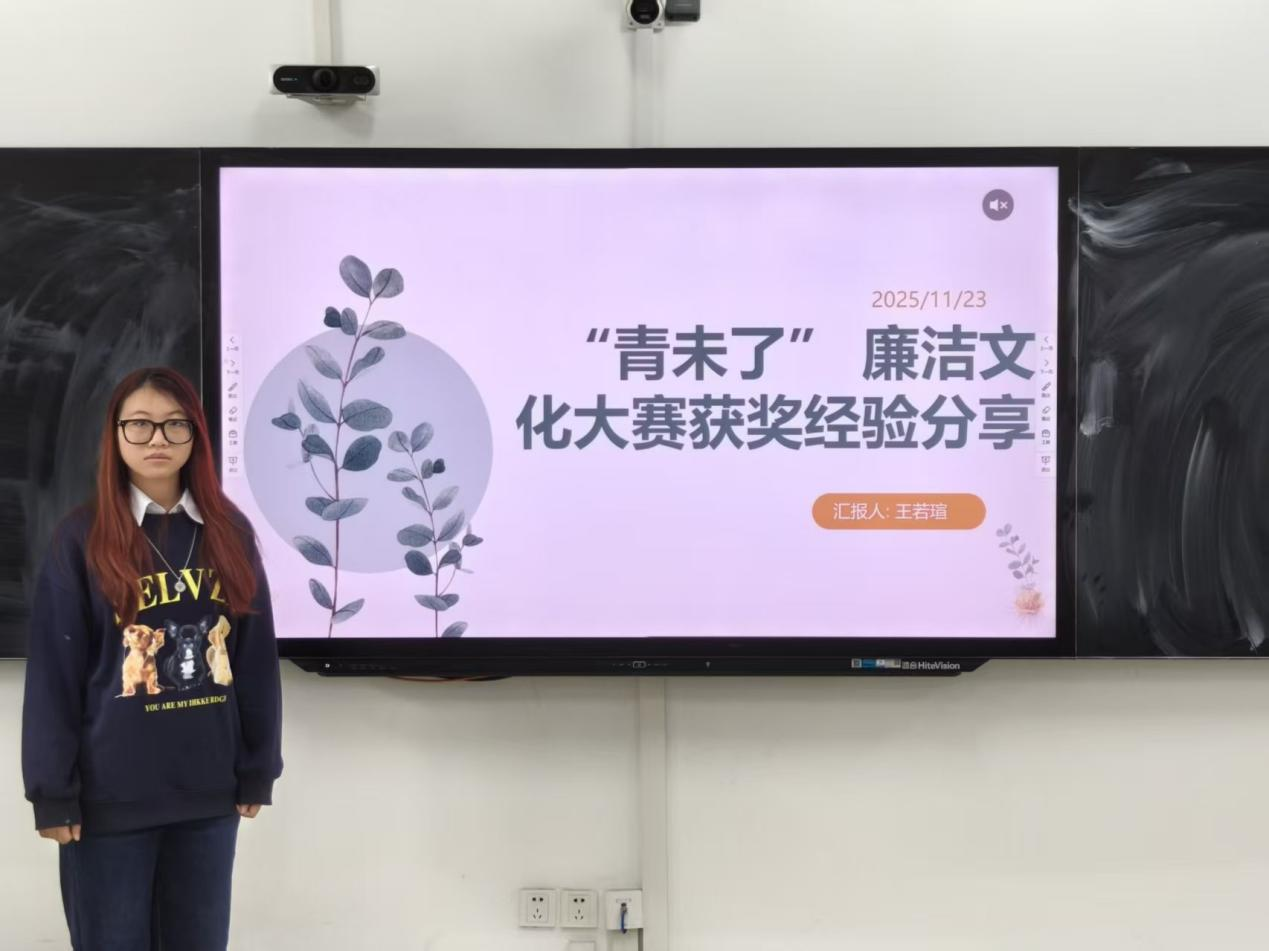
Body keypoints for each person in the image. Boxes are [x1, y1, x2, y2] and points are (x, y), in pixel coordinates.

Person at [21, 366, 283, 951]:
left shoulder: (229, 533)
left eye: (173, 424)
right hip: (108, 802)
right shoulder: (81, 538)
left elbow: (255, 662)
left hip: (207, 796)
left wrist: (258, 766)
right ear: (115, 435)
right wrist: (52, 791)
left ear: (196, 436)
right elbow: (54, 678)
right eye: (139, 424)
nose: (157, 439)